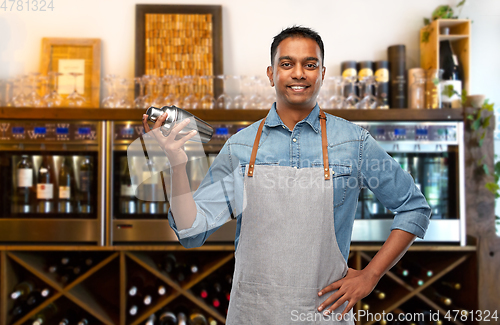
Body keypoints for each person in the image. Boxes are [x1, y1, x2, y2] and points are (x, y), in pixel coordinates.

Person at [142, 26, 431, 324]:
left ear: (322, 73)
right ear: (271, 74)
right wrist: (177, 164)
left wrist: (371, 275)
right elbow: (191, 232)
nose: (299, 73)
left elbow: (414, 208)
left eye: (309, 65)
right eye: (286, 64)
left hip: (324, 315)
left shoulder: (353, 143)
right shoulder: (240, 147)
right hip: (254, 315)